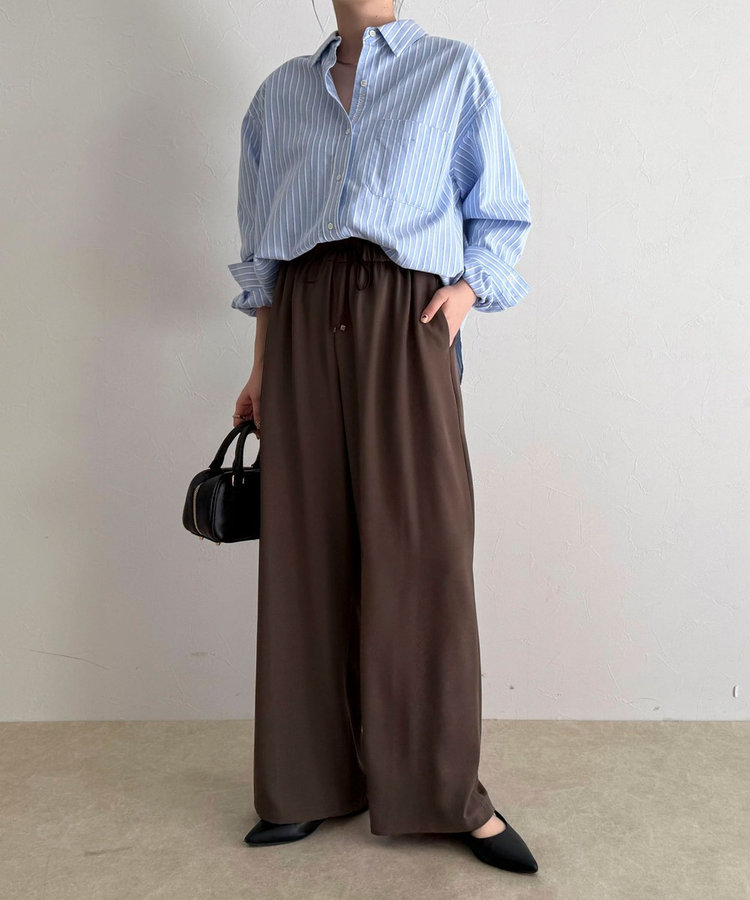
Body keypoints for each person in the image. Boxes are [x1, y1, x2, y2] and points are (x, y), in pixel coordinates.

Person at [227, 0, 537, 875]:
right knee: (305, 554)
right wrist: (260, 370)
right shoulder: (279, 95)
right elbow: (264, 250)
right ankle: (306, 784)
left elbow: (500, 211)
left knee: (424, 550)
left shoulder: (451, 71)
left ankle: (444, 793)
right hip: (299, 323)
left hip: (409, 314)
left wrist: (465, 297)